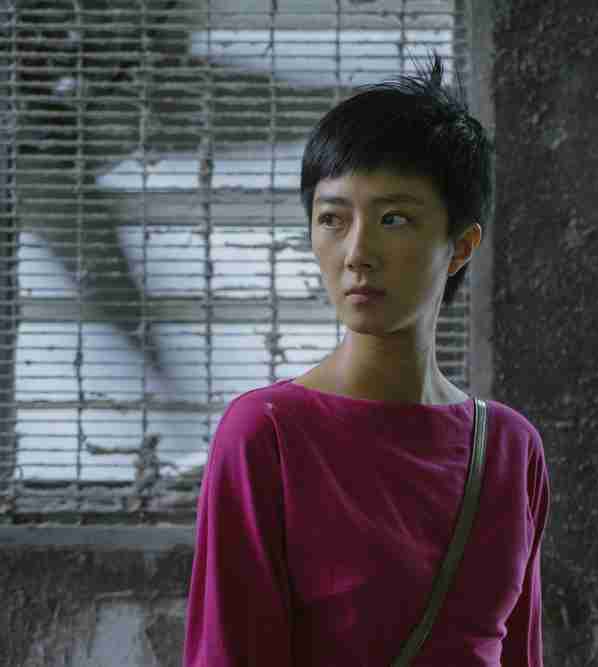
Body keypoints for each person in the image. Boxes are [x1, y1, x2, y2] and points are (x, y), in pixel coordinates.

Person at [183, 53, 550, 666]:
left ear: (461, 246)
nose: (358, 252)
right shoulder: (267, 436)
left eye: (394, 219)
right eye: (333, 218)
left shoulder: (511, 450)